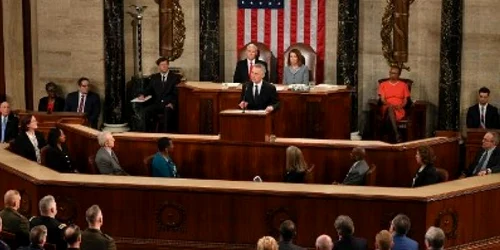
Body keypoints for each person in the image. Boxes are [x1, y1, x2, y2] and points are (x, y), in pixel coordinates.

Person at [138, 57, 181, 132]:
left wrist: (172, 103)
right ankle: (146, 133)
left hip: (168, 104)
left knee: (167, 111)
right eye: (162, 65)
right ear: (159, 67)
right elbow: (149, 89)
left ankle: (165, 135)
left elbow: (177, 93)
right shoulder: (154, 77)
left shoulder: (175, 77)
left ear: (168, 65)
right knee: (145, 111)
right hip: (157, 104)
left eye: (165, 64)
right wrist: (142, 95)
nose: (164, 66)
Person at [377, 66, 410, 142]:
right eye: (391, 73)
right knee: (390, 108)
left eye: (394, 73)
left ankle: (389, 137)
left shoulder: (404, 85)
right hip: (386, 107)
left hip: (399, 109)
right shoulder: (383, 84)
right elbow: (382, 99)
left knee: (390, 116)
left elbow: (405, 100)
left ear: (399, 75)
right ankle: (397, 134)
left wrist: (401, 106)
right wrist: (389, 104)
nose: (392, 75)